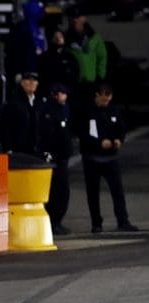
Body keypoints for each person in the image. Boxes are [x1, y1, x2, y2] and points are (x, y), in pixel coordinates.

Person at [77, 82, 138, 233]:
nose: (106, 99)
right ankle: (96, 223)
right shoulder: (88, 112)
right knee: (93, 192)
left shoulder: (114, 110)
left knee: (118, 191)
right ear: (96, 95)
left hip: (111, 158)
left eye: (108, 96)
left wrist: (119, 139)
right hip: (92, 158)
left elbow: (121, 128)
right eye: (103, 95)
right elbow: (83, 133)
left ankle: (123, 220)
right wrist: (98, 143)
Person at [39, 83, 74, 235]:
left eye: (64, 93)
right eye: (60, 93)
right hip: (52, 156)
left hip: (63, 156)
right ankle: (51, 221)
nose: (63, 96)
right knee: (53, 190)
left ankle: (58, 221)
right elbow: (46, 133)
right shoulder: (46, 110)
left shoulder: (66, 108)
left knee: (63, 190)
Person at [65, 7, 106, 113]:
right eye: (72, 17)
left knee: (93, 112)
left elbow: (102, 57)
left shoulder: (94, 37)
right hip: (74, 84)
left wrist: (100, 76)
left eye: (78, 17)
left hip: (92, 82)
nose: (75, 20)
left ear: (84, 18)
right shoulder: (66, 39)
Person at [0, 71, 43, 157]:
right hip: (18, 153)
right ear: (22, 83)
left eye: (34, 80)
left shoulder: (39, 103)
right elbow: (6, 127)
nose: (31, 82)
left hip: (36, 153)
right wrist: (8, 148)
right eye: (28, 80)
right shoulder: (14, 103)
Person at [38, 29, 79, 107]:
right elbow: (42, 75)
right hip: (50, 93)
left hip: (67, 94)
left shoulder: (70, 57)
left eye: (60, 36)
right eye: (55, 37)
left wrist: (66, 91)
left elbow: (75, 75)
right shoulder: (44, 57)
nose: (58, 39)